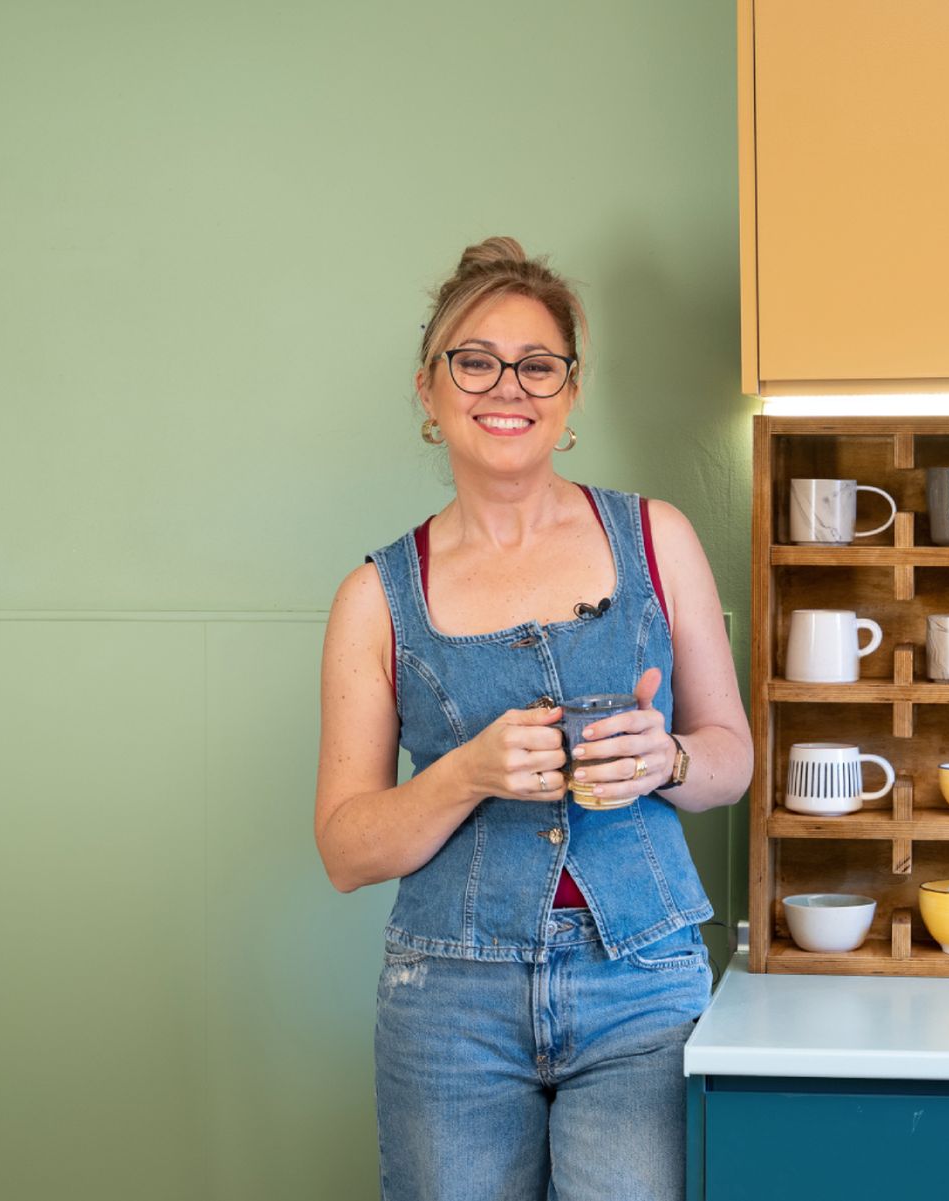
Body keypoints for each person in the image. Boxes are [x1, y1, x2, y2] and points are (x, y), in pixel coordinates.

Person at [314, 237, 752, 1201]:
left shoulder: (657, 538)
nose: (505, 386)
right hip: (448, 1004)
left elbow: (731, 761)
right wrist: (465, 772)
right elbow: (346, 849)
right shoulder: (376, 597)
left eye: (536, 364)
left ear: (568, 394)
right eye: (474, 361)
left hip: (642, 984)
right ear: (429, 392)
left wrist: (669, 757)